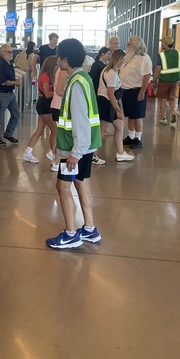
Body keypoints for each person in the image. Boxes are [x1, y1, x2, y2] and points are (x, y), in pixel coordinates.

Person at [46, 39, 102, 249]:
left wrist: (75, 153)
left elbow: (80, 119)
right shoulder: (83, 78)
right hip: (84, 147)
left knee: (63, 186)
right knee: (80, 182)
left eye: (59, 56)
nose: (57, 60)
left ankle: (70, 233)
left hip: (76, 149)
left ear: (65, 59)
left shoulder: (76, 83)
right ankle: (89, 228)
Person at [96, 49, 134, 162]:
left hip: (107, 102)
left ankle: (120, 153)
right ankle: (92, 155)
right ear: (117, 59)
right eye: (122, 59)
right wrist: (117, 109)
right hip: (107, 103)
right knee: (102, 129)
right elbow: (110, 93)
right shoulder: (111, 73)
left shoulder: (108, 70)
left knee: (120, 126)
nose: (124, 62)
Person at [22, 55, 58, 164]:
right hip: (46, 105)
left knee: (39, 130)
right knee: (55, 130)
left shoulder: (43, 75)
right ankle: (53, 152)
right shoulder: (46, 77)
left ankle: (28, 152)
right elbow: (47, 94)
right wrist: (57, 92)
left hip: (42, 104)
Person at [120, 36, 153, 149]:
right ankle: (130, 135)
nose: (127, 45)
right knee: (130, 116)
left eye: (130, 44)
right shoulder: (129, 57)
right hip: (126, 91)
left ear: (137, 45)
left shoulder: (144, 58)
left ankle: (138, 138)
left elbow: (147, 75)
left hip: (137, 90)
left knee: (137, 116)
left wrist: (142, 92)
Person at [153, 36, 180, 126]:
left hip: (164, 79)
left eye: (162, 43)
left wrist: (154, 80)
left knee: (162, 98)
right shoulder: (179, 54)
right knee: (172, 97)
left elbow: (157, 69)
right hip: (175, 79)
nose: (161, 44)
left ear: (166, 44)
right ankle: (172, 112)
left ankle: (164, 118)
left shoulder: (162, 55)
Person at [0, 43, 21, 145]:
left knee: (16, 114)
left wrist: (15, 80)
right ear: (2, 53)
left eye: (11, 51)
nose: (11, 53)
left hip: (10, 93)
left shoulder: (9, 63)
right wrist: (15, 82)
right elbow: (2, 81)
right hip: (2, 94)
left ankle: (8, 134)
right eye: (9, 52)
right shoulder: (0, 65)